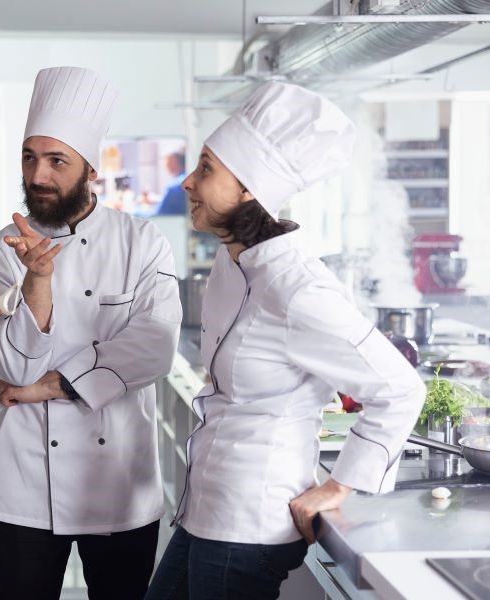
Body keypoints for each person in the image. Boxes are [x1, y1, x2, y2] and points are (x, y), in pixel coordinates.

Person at [145, 82, 425, 600]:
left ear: (248, 188)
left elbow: (401, 389)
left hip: (248, 523)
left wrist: (339, 485)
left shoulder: (298, 288)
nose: (186, 182)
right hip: (205, 507)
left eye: (206, 168)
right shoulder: (233, 263)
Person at [0, 66, 183, 600]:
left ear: (90, 170)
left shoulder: (141, 243)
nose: (38, 175)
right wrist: (38, 280)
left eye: (56, 161)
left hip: (116, 481)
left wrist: (49, 386)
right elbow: (12, 367)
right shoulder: (0, 252)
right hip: (21, 486)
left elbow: (154, 348)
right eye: (29, 157)